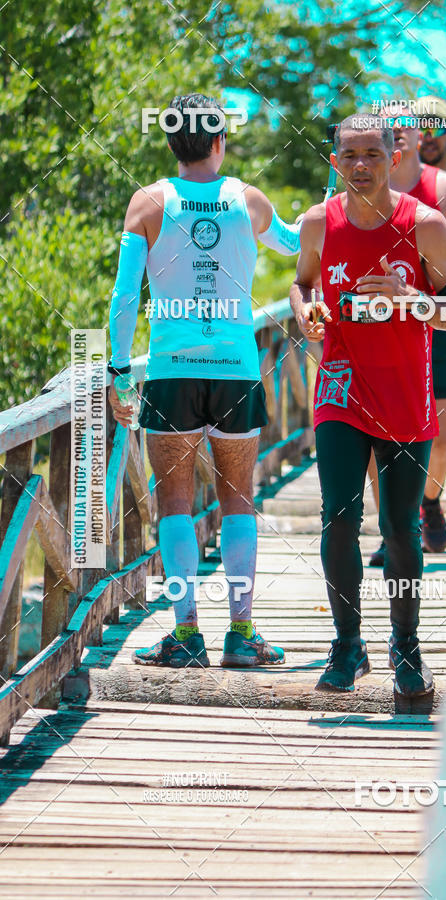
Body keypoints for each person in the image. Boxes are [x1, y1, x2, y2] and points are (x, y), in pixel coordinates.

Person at [108, 93, 302, 668]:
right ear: (220, 140)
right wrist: (321, 213)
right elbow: (295, 245)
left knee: (173, 502)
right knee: (238, 498)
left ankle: (186, 634)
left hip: (172, 370)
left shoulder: (148, 202)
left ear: (171, 140)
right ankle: (241, 633)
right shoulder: (249, 200)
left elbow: (125, 297)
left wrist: (119, 372)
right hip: (236, 367)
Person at [290, 113, 446, 700]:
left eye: (373, 154)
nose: (361, 165)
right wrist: (305, 310)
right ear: (335, 161)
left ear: (394, 157)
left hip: (404, 393)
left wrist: (410, 297)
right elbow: (302, 283)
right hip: (340, 388)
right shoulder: (318, 222)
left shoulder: (426, 225)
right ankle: (347, 645)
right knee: (339, 519)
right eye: (350, 155)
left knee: (399, 528)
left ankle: (406, 647)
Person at [368, 101, 446, 564]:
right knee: (378, 434)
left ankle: (429, 499)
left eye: (407, 125)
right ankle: (392, 531)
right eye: (389, 126)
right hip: (380, 319)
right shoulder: (362, 186)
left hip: (441, 316)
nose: (399, 131)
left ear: (421, 134)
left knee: (439, 437)